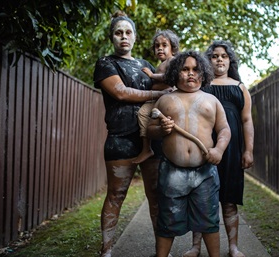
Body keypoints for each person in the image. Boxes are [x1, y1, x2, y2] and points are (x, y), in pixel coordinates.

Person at [93, 11, 171, 257]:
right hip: (120, 139)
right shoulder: (106, 63)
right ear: (112, 37)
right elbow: (121, 93)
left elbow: (168, 87)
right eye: (118, 33)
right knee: (116, 194)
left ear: (135, 37)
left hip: (151, 138)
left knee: (156, 197)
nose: (123, 37)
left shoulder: (146, 66)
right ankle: (106, 250)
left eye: (128, 32)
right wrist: (156, 94)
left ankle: (162, 252)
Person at [147, 50, 232, 257]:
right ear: (176, 73)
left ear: (203, 74)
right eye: (185, 69)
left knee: (209, 220)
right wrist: (161, 130)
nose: (190, 73)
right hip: (171, 172)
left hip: (205, 173)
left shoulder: (211, 100)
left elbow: (224, 129)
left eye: (195, 69)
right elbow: (149, 130)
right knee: (167, 220)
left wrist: (219, 149)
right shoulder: (165, 100)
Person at [183, 41, 254, 257]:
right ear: (208, 60)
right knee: (200, 199)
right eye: (214, 56)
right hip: (204, 149)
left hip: (232, 151)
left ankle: (233, 247)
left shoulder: (240, 87)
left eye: (224, 55)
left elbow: (247, 120)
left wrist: (248, 150)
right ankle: (196, 247)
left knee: (229, 199)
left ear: (230, 59)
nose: (219, 59)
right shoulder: (201, 86)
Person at [133, 29, 180, 164]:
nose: (160, 48)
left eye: (164, 45)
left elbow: (171, 77)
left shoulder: (172, 61)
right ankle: (147, 148)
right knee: (143, 114)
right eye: (157, 46)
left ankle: (150, 148)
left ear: (173, 47)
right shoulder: (161, 64)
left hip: (166, 99)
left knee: (153, 117)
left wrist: (152, 76)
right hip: (156, 99)